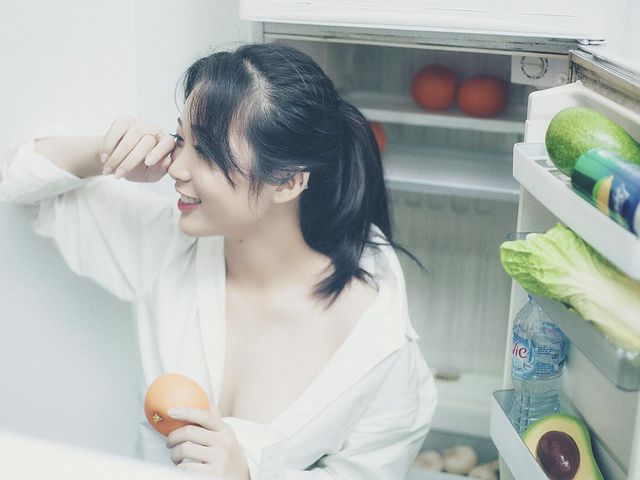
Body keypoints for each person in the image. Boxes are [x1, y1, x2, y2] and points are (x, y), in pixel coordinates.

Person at [0, 42, 437, 479]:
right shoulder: (166, 246)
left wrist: (248, 475)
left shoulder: (379, 346)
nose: (176, 168)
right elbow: (19, 181)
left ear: (287, 182)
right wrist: (107, 153)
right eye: (180, 139)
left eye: (207, 152)